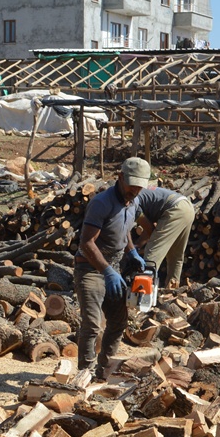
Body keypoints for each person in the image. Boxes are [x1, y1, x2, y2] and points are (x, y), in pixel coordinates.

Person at [74, 157, 152, 377]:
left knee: (118, 322)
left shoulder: (134, 201)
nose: (135, 190)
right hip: (90, 267)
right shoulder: (101, 203)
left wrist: (132, 251)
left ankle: (104, 371)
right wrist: (106, 271)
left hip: (114, 267)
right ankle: (84, 373)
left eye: (139, 187)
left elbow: (125, 227)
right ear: (120, 177)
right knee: (92, 324)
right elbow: (86, 242)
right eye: (132, 185)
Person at [132, 184, 195, 289]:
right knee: (175, 254)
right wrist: (137, 245)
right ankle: (171, 290)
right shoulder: (139, 192)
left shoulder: (130, 202)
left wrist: (136, 246)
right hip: (187, 206)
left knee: (152, 254)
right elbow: (150, 227)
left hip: (174, 209)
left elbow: (149, 229)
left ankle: (142, 293)